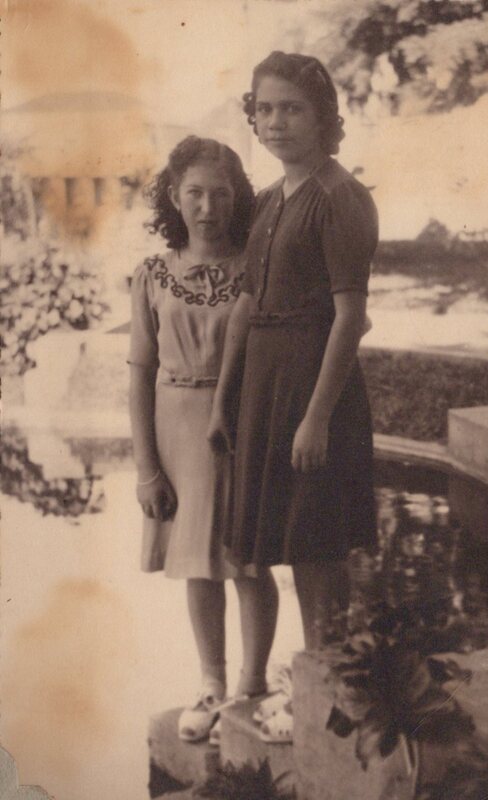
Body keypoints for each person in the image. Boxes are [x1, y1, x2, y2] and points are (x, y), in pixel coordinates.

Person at [208, 52, 378, 741]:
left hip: (313, 390)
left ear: (323, 116)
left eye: (292, 109)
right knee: (275, 541)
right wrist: (225, 400)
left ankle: (326, 704)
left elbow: (350, 317)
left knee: (317, 547)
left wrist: (317, 417)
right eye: (265, 109)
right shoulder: (271, 199)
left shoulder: (340, 197)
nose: (275, 122)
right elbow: (248, 302)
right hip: (263, 387)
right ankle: (313, 696)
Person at [128, 136, 279, 744]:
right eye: (194, 193)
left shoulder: (257, 267)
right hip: (176, 426)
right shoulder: (153, 274)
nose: (208, 207)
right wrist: (146, 468)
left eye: (221, 194)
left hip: (242, 421)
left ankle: (252, 685)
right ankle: (211, 685)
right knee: (198, 560)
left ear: (238, 198)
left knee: (248, 558)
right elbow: (140, 372)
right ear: (174, 196)